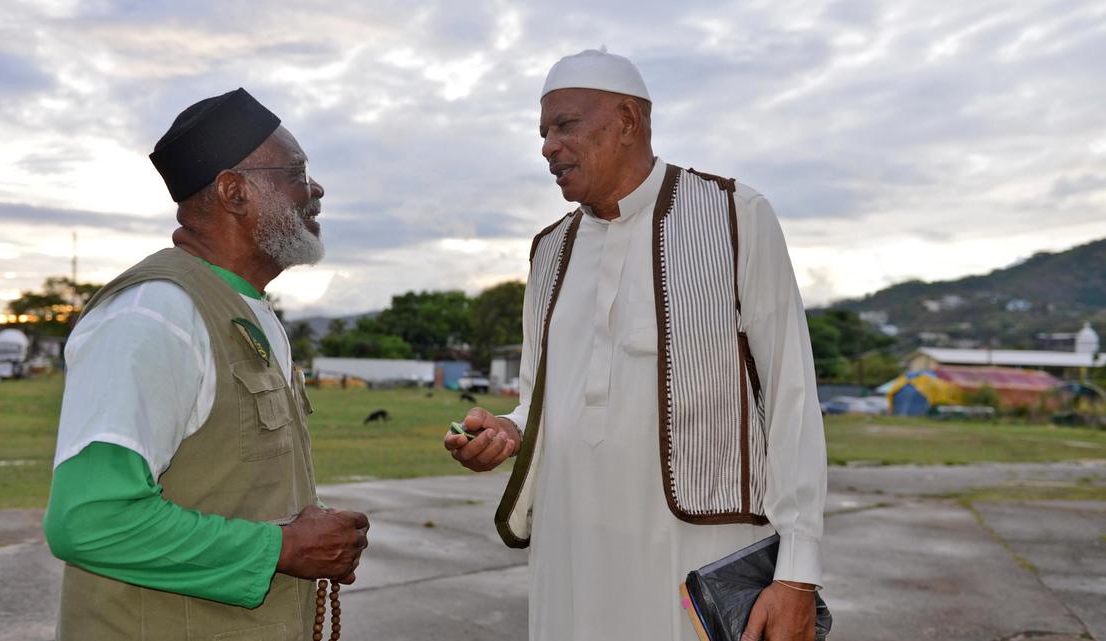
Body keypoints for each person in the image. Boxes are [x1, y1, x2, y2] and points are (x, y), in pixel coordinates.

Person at [443, 49, 827, 641]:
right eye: (543, 132)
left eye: (565, 125)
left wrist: (798, 576)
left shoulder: (735, 216)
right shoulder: (550, 251)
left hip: (698, 552)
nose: (548, 146)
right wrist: (510, 429)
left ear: (627, 120)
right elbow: (540, 394)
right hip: (569, 553)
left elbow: (792, 396)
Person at [44, 88, 369, 641]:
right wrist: (285, 548)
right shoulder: (154, 314)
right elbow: (89, 521)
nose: (316, 189)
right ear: (234, 191)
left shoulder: (253, 311)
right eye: (297, 171)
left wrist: (311, 528)